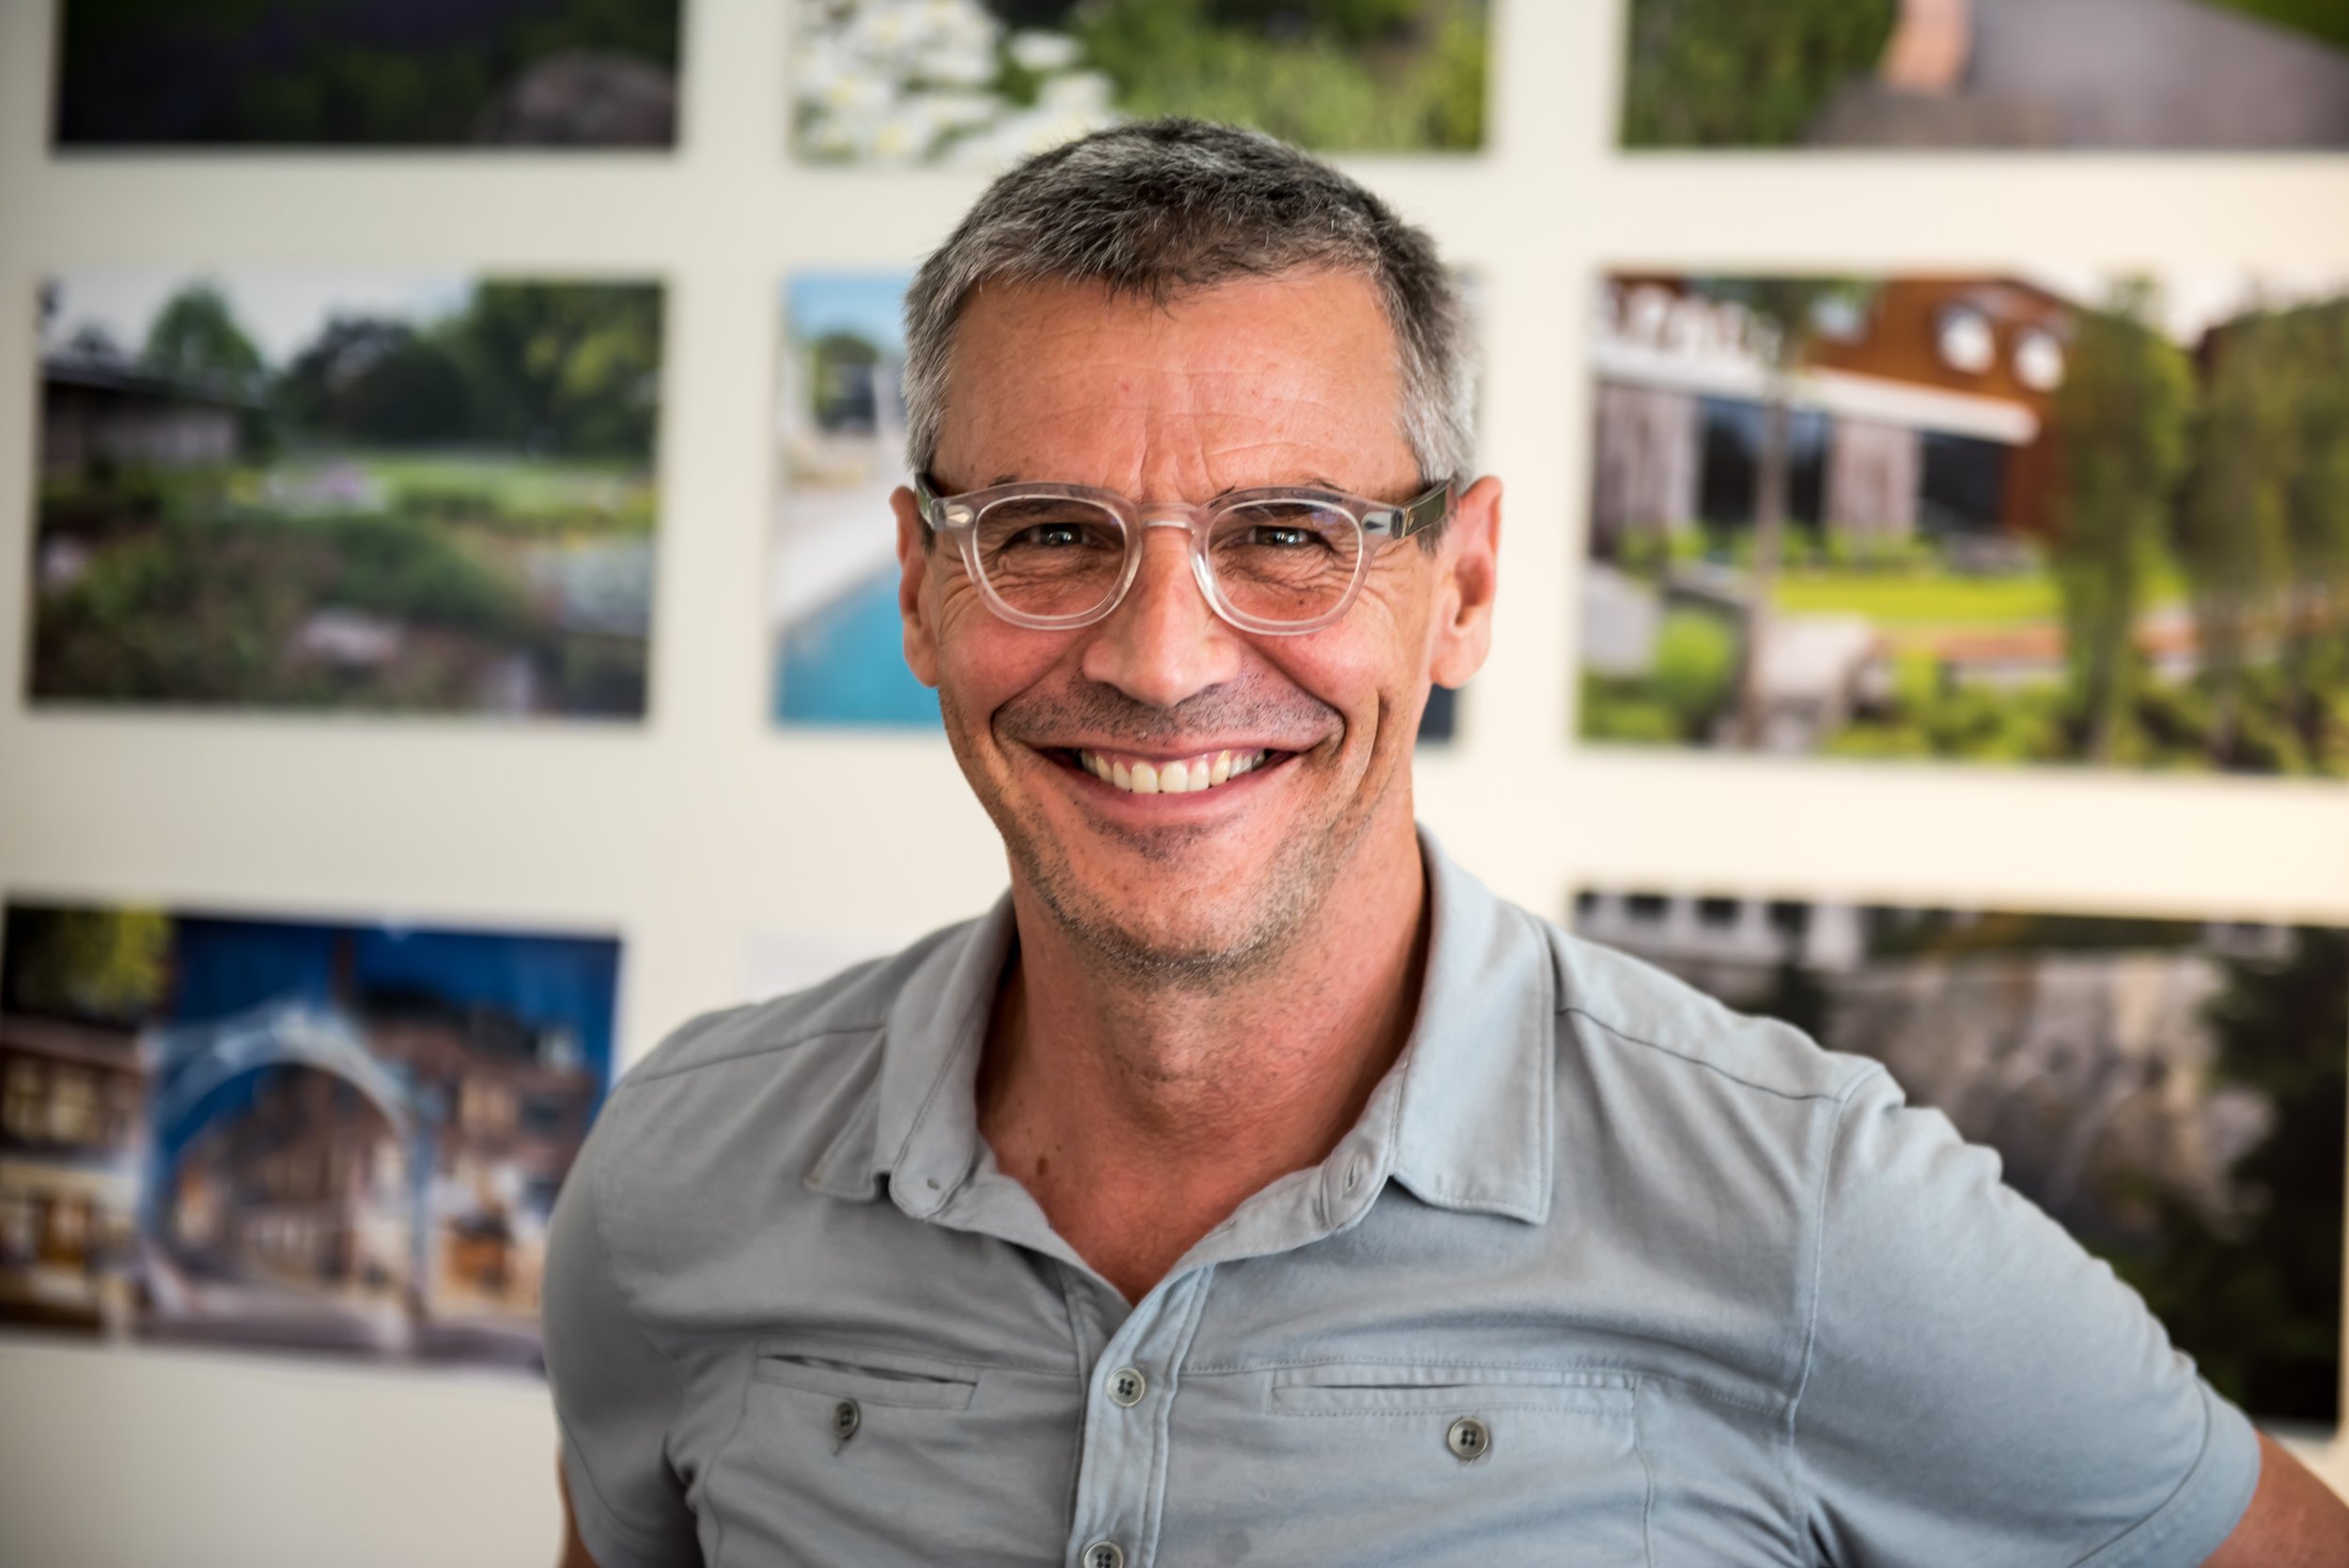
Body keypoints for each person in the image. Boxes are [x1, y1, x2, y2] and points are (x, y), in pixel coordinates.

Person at [544, 120, 2348, 1567]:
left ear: (1461, 587)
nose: (1163, 658)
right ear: (926, 585)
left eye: (1288, 532)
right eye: (1047, 532)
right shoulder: (680, 1176)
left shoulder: (1813, 1211)